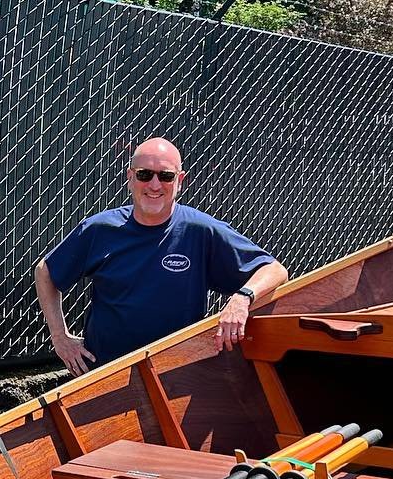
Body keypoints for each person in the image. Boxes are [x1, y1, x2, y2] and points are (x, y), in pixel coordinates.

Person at [35, 138, 288, 375]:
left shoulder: (200, 230)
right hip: (103, 374)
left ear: (180, 180)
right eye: (145, 175)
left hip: (175, 376)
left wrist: (242, 299)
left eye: (165, 176)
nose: (155, 185)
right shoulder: (100, 229)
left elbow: (275, 270)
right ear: (130, 177)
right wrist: (60, 338)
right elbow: (46, 271)